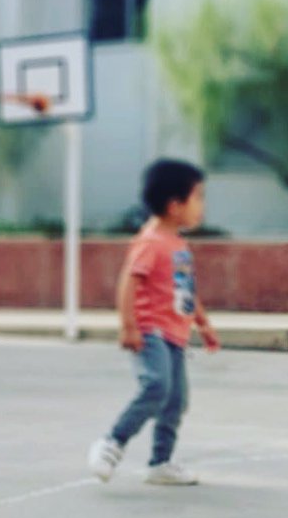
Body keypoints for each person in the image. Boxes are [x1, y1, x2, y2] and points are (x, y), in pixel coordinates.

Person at [88, 159, 220, 486]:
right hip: (151, 330)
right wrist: (129, 326)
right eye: (198, 197)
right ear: (175, 205)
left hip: (176, 333)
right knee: (156, 387)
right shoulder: (151, 241)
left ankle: (160, 463)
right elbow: (129, 282)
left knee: (176, 400)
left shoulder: (178, 244)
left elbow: (185, 289)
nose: (202, 205)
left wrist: (202, 325)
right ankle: (112, 443)